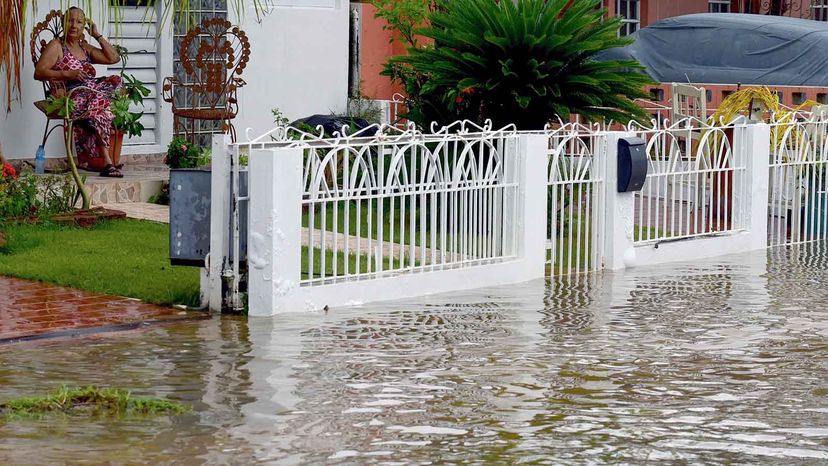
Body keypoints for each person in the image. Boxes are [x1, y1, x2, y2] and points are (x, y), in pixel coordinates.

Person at [34, 6, 124, 177]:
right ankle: (107, 162)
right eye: (70, 20)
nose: (74, 25)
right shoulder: (57, 46)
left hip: (91, 94)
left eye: (79, 22)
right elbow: (39, 72)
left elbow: (114, 58)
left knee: (115, 82)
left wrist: (97, 35)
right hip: (70, 96)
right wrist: (67, 74)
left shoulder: (84, 48)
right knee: (101, 106)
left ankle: (103, 156)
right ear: (63, 23)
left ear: (84, 27)